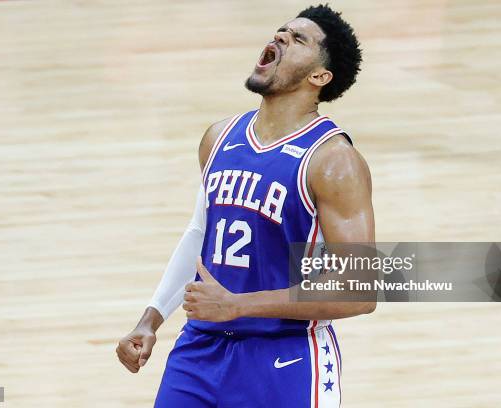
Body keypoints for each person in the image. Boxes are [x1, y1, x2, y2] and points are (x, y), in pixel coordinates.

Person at [117, 4, 375, 407]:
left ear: (319, 76)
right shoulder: (219, 137)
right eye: (281, 31)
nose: (280, 37)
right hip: (199, 350)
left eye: (299, 38)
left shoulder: (333, 161)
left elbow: (358, 292)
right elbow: (200, 236)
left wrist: (238, 306)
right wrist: (150, 319)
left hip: (284, 358)